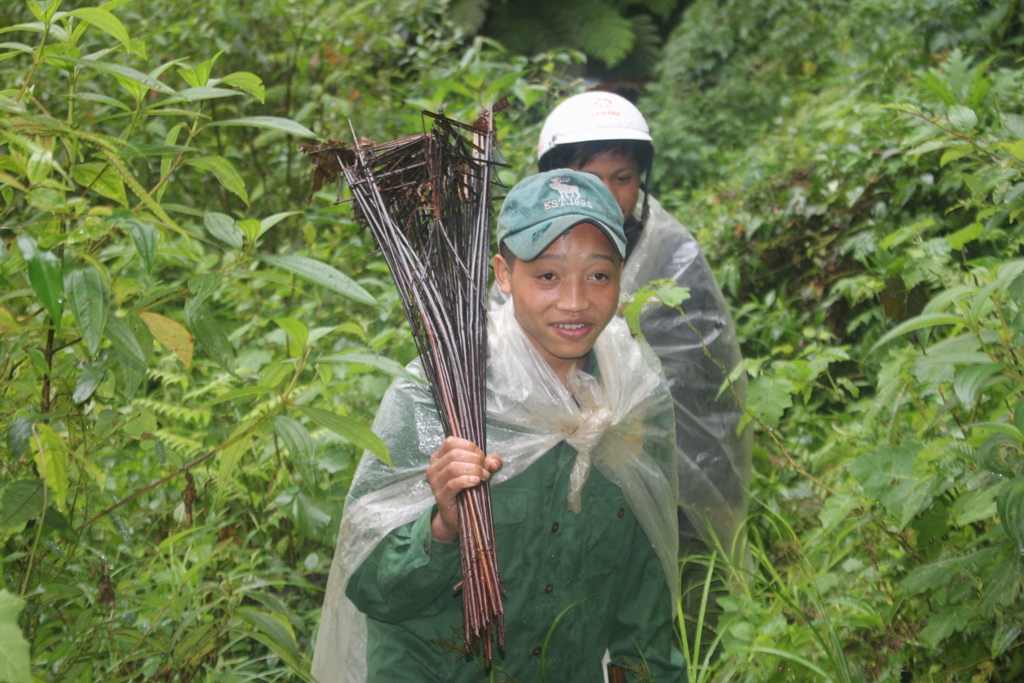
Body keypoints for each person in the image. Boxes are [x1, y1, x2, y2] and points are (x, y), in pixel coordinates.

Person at [312, 169, 685, 683]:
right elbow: (370, 582)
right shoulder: (440, 394)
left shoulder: (631, 399)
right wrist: (442, 527)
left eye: (598, 275)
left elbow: (645, 590)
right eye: (548, 276)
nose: (575, 301)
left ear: (622, 275)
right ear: (504, 275)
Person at [491, 92, 752, 564]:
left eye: (623, 178)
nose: (608, 196)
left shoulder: (671, 252)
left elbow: (702, 385)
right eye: (590, 179)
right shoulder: (528, 250)